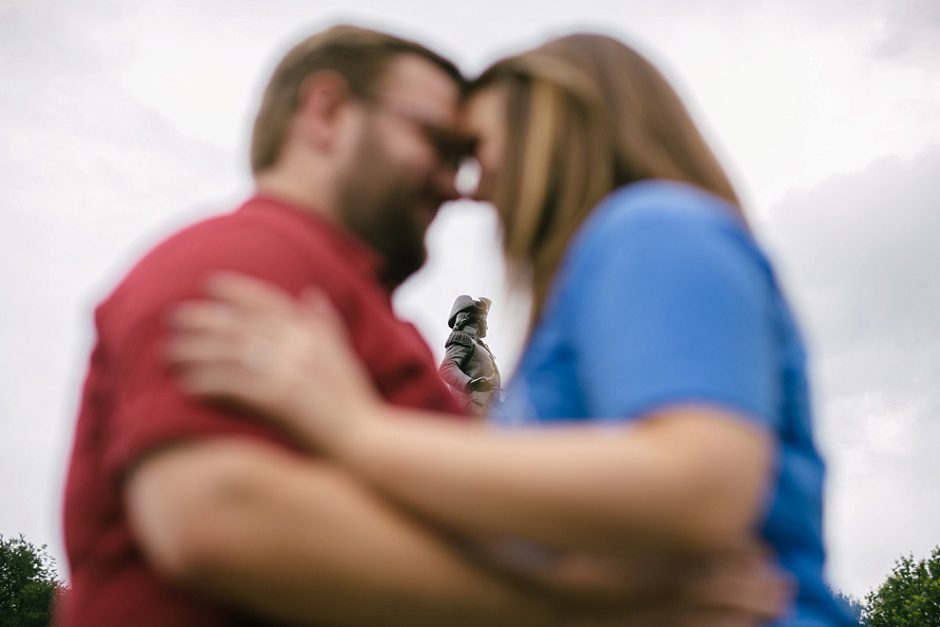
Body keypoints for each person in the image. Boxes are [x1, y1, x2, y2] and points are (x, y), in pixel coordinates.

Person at [59, 24, 786, 627]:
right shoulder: (242, 258)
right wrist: (572, 610)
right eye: (438, 143)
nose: (459, 186)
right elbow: (219, 515)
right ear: (325, 112)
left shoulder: (362, 310)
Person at [439, 295, 501, 414]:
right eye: (485, 320)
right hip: (472, 411)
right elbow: (446, 368)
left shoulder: (480, 345)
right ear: (477, 320)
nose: (487, 326)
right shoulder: (462, 338)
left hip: (488, 410)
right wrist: (471, 384)